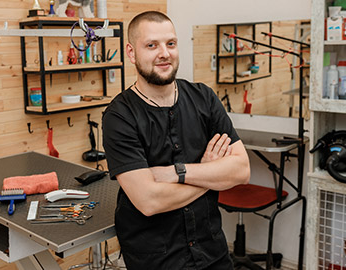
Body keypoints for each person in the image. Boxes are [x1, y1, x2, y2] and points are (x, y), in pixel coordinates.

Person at [102, 11, 251, 270]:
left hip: (212, 250)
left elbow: (241, 170)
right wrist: (210, 175)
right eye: (151, 45)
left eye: (170, 43)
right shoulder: (119, 116)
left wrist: (177, 172)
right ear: (131, 52)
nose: (164, 53)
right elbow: (149, 201)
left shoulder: (204, 98)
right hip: (156, 258)